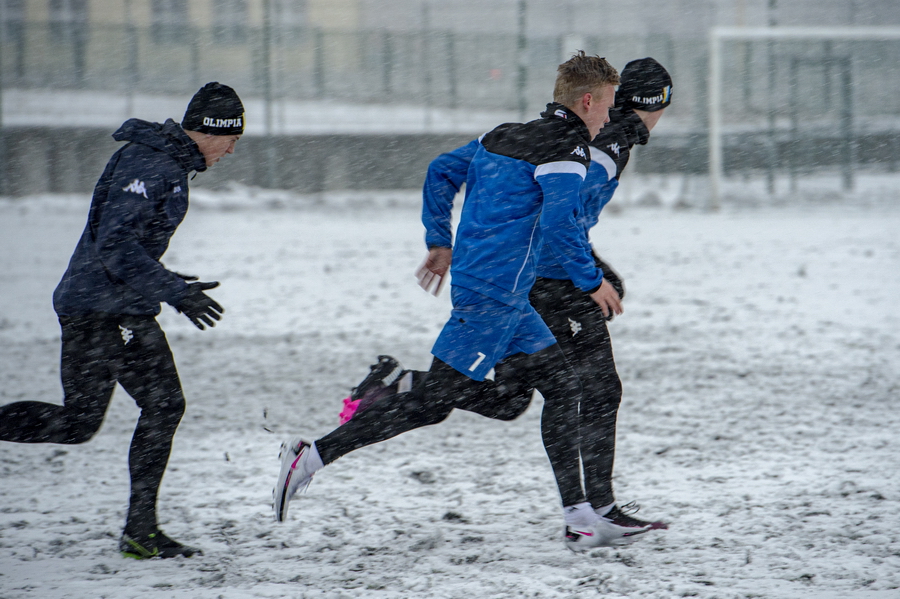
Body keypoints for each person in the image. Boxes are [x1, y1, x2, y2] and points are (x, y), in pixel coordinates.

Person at [275, 52, 623, 551]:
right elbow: (561, 224)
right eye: (607, 106)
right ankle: (311, 456)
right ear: (587, 101)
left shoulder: (500, 135)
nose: (608, 118)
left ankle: (580, 517)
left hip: (501, 295)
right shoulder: (566, 152)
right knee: (433, 406)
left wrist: (440, 239)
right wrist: (592, 282)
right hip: (493, 299)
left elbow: (441, 169)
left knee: (552, 390)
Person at [341, 57, 674, 546]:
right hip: (546, 282)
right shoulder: (607, 145)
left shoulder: (605, 137)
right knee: (597, 389)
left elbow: (555, 212)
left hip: (533, 279)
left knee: (510, 399)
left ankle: (404, 384)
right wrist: (591, 277)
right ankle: (594, 511)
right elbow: (563, 219)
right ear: (656, 105)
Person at [0, 82, 243, 559]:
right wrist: (173, 291)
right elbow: (115, 244)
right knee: (164, 405)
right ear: (210, 131)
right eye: (232, 138)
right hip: (105, 309)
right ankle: (140, 531)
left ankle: (140, 531)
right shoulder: (152, 163)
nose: (233, 149)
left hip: (101, 305)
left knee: (78, 422)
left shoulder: (165, 162)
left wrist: (165, 280)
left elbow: (125, 244)